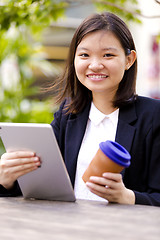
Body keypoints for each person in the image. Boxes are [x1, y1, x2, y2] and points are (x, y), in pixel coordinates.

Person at [0, 12, 160, 206]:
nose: (95, 65)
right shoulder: (68, 114)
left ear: (129, 60)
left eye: (108, 55)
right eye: (84, 55)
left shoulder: (153, 116)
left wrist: (127, 197)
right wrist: (7, 180)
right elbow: (42, 188)